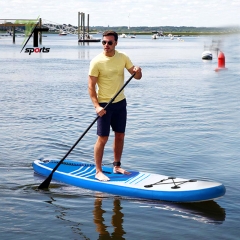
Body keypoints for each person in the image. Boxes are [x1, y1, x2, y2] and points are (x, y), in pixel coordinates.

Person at [88, 30, 142, 181]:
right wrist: (97, 106)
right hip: (104, 105)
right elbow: (91, 87)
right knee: (103, 138)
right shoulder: (96, 61)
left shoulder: (122, 57)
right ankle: (98, 171)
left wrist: (137, 71)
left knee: (120, 135)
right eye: (104, 42)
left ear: (116, 43)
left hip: (120, 103)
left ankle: (117, 166)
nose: (106, 45)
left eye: (109, 42)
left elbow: (136, 76)